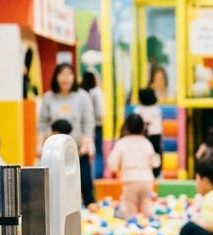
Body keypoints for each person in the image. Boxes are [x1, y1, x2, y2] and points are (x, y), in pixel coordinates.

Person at [38, 63, 96, 208]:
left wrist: (87, 143)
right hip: (55, 150)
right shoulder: (49, 97)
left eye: (69, 74)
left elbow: (88, 122)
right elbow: (42, 123)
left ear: (74, 77)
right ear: (56, 77)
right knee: (56, 183)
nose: (66, 78)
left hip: (78, 148)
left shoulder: (82, 96)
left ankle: (89, 208)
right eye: (62, 74)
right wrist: (41, 143)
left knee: (85, 182)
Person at [108, 114, 161, 219]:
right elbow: (155, 162)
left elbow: (112, 162)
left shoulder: (122, 143)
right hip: (146, 180)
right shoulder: (146, 143)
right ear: (143, 128)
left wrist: (116, 168)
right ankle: (149, 221)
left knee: (129, 206)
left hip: (130, 180)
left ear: (126, 127)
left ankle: (130, 222)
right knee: (146, 204)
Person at [136, 88, 165, 177]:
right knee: (156, 154)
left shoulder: (139, 110)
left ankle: (145, 170)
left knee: (143, 154)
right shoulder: (156, 110)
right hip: (156, 135)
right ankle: (157, 172)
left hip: (143, 136)